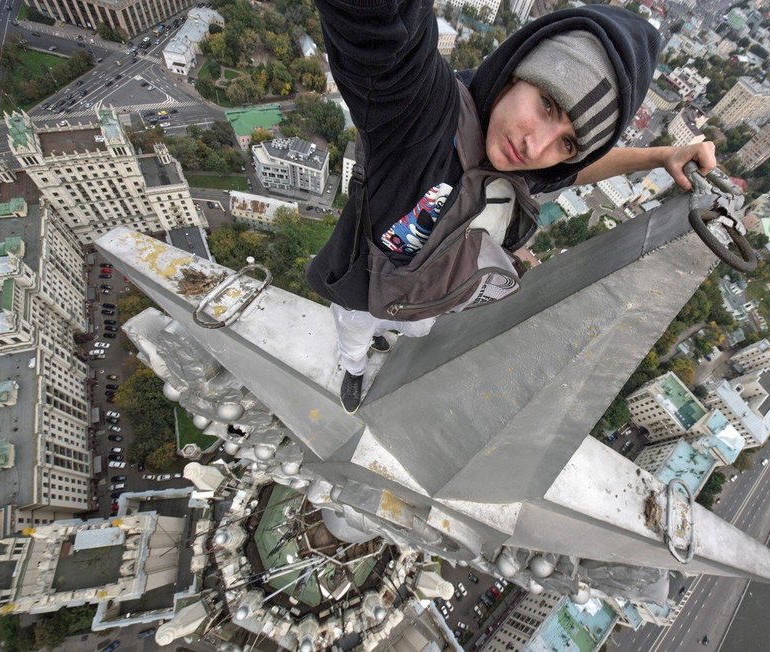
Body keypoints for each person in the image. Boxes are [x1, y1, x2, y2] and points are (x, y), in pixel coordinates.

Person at [307, 1, 717, 413]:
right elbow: (378, 29)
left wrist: (661, 156)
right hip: (363, 283)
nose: (535, 146)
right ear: (516, 70)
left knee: (412, 327)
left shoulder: (524, 167)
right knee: (355, 330)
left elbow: (577, 173)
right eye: (547, 104)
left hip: (429, 293)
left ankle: (385, 331)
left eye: (567, 142)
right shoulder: (421, 114)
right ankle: (354, 368)